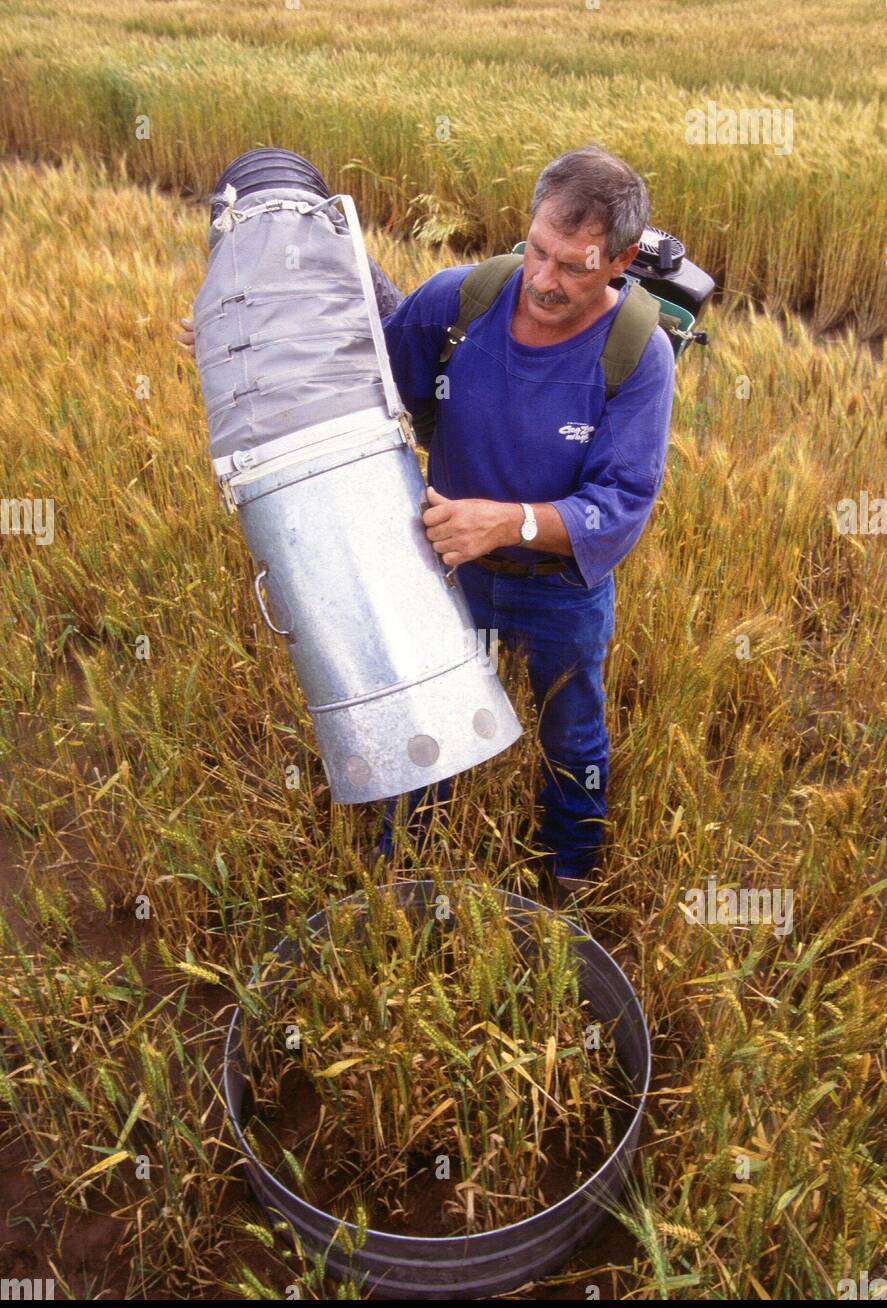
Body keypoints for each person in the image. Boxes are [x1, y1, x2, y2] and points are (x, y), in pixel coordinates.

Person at [178, 144, 675, 908]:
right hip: (445, 567)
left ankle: (570, 870)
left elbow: (621, 501)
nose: (544, 280)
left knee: (569, 731)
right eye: (537, 250)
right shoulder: (460, 301)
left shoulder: (636, 354)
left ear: (620, 261)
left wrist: (506, 523)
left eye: (574, 267)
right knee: (416, 703)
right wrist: (248, 349)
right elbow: (353, 372)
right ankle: (403, 864)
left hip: (558, 590)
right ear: (529, 226)